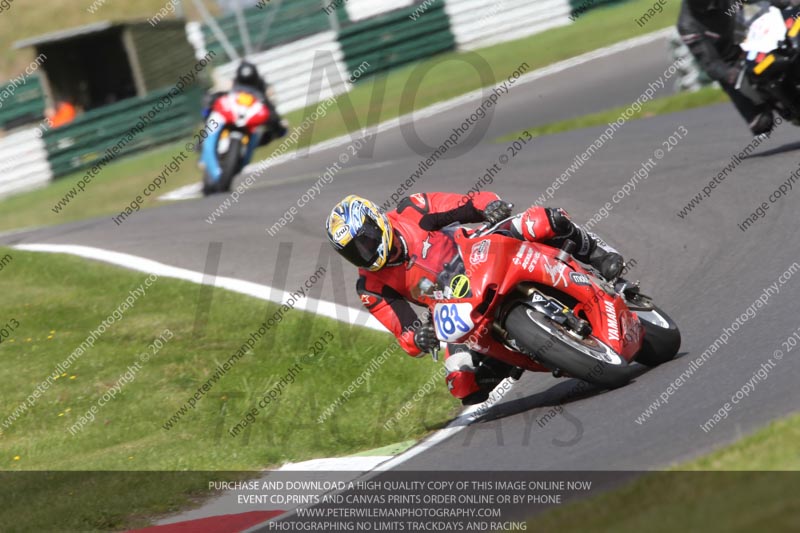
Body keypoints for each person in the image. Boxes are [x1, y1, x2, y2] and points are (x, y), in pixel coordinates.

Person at [325, 193, 625, 406]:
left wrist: (490, 207)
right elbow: (405, 334)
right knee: (462, 384)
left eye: (365, 241)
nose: (364, 253)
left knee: (542, 220)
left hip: (478, 251)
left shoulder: (411, 210)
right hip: (453, 306)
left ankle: (597, 255)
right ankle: (511, 356)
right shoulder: (370, 287)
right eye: (354, 252)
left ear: (377, 221)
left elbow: (466, 203)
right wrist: (420, 336)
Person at [677, 0, 797, 136]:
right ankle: (772, 104)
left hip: (753, 35)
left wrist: (786, 3)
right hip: (733, 61)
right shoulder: (687, 25)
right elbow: (710, 63)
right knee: (761, 123)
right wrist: (730, 74)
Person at [204, 60, 287, 144]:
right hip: (230, 118)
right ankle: (206, 140)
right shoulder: (229, 91)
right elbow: (210, 105)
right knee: (214, 113)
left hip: (248, 125)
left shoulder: (261, 96)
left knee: (265, 130)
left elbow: (271, 114)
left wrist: (278, 126)